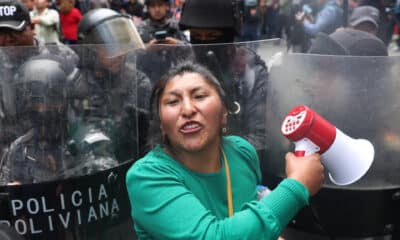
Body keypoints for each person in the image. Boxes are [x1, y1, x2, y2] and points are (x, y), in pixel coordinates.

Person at [126, 62, 324, 239]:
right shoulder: (147, 177)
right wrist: (297, 185)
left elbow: (252, 220)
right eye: (173, 102)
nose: (187, 110)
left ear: (224, 114)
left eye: (200, 96)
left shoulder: (242, 153)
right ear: (161, 124)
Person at [179, 0, 268, 157]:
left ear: (229, 38)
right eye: (197, 36)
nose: (204, 43)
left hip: (237, 164)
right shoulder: (182, 73)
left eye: (213, 36)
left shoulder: (250, 74)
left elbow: (259, 137)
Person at [0, 0, 79, 156]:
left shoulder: (61, 55)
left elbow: (80, 104)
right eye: (0, 33)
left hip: (60, 144)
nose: (7, 39)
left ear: (32, 28)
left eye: (15, 31)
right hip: (11, 151)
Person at [76, 8, 152, 161]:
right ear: (90, 50)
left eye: (121, 46)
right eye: (109, 47)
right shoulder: (76, 84)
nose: (119, 54)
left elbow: (141, 134)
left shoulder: (137, 81)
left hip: (130, 161)